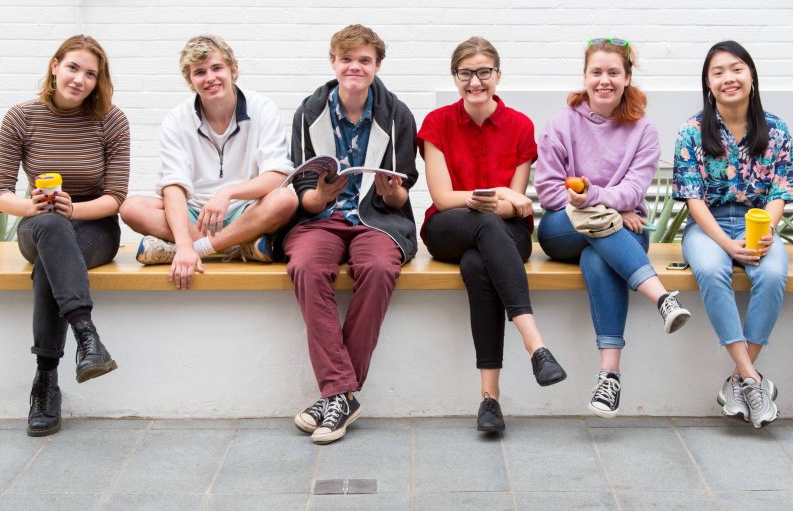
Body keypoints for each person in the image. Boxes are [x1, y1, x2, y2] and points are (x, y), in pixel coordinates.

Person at [535, 38, 691, 419]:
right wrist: (610, 209)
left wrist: (596, 198)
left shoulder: (643, 130)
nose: (604, 80)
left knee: (597, 259)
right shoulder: (562, 123)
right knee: (596, 230)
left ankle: (609, 377)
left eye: (613, 73)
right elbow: (549, 190)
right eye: (596, 72)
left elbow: (635, 190)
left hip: (622, 233)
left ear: (626, 78)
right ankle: (661, 298)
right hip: (563, 228)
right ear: (585, 76)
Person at [417, 37, 567, 434]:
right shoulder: (437, 123)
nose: (475, 81)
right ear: (455, 78)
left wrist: (505, 200)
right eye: (466, 73)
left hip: (505, 234)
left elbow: (516, 209)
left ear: (498, 75)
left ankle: (489, 400)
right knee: (483, 223)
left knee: (477, 262)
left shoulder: (520, 125)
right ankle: (535, 343)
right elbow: (444, 198)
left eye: (484, 72)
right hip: (448, 227)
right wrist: (499, 195)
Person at [285, 24, 418, 444]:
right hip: (321, 219)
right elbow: (303, 196)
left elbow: (400, 199)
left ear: (377, 66)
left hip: (376, 218)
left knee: (379, 267)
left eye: (364, 60)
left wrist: (392, 192)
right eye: (347, 59)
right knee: (306, 266)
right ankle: (342, 394)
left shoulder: (397, 114)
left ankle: (334, 396)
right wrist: (320, 195)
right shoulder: (309, 111)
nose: (354, 67)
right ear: (333, 62)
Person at [0, 35, 129, 436]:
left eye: (91, 74)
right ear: (55, 66)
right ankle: (87, 336)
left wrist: (76, 210)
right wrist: (31, 207)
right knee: (52, 229)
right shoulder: (21, 117)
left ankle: (45, 381)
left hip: (94, 225)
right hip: (38, 220)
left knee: (50, 266)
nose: (80, 80)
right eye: (73, 68)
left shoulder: (112, 120)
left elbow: (116, 197)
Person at [674, 41, 791, 428]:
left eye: (736, 69)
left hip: (758, 223)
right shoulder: (692, 131)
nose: (729, 78)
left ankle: (737, 381)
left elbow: (779, 191)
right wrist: (726, 245)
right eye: (718, 72)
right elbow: (693, 199)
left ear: (752, 75)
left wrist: (767, 231)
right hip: (708, 227)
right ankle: (753, 379)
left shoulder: (776, 129)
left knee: (773, 273)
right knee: (711, 271)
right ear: (708, 84)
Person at [119, 35, 296, 290]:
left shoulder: (263, 108)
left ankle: (199, 249)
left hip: (245, 211)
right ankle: (240, 245)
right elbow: (174, 186)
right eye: (199, 72)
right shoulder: (176, 119)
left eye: (217, 68)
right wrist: (183, 244)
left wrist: (228, 193)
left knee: (286, 199)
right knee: (131, 208)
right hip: (194, 215)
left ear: (233, 70)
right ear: (190, 80)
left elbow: (277, 175)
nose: (210, 78)